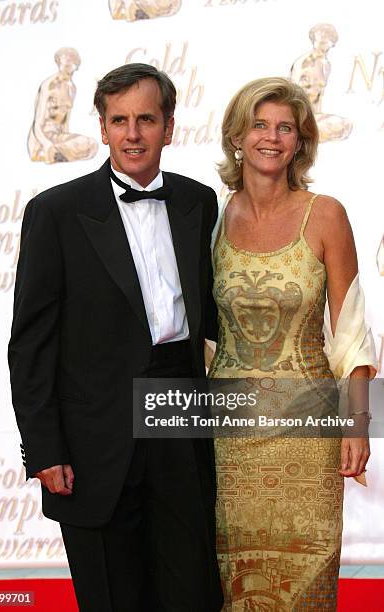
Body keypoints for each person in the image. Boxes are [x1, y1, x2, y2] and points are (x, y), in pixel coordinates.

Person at [9, 63, 223, 611]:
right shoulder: (55, 212)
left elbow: (212, 316)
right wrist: (45, 448)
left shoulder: (198, 202)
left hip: (179, 407)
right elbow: (31, 345)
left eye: (146, 119)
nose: (133, 134)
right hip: (92, 438)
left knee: (191, 592)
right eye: (119, 120)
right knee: (113, 596)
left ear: (169, 127)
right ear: (102, 128)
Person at [208, 77, 376, 610]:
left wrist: (356, 426)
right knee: (232, 574)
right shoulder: (208, 217)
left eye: (286, 128)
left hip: (308, 433)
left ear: (300, 142)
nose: (272, 138)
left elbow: (350, 333)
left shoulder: (325, 213)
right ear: (237, 136)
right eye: (260, 125)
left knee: (308, 570)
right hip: (228, 435)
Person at [27, 47, 98, 163]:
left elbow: (65, 122)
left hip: (58, 138)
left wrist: (70, 142)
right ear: (59, 62)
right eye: (64, 61)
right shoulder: (49, 85)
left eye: (71, 61)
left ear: (76, 65)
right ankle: (47, 153)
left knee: (92, 145)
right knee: (72, 146)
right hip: (42, 139)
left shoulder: (72, 88)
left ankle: (54, 154)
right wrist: (46, 144)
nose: (67, 63)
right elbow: (37, 123)